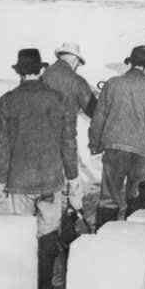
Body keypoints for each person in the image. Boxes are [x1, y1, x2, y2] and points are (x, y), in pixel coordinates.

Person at [0, 49, 78, 289]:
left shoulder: (7, 101)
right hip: (50, 180)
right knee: (49, 234)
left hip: (18, 181)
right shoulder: (58, 99)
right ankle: (44, 287)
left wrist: (0, 179)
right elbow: (68, 141)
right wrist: (72, 176)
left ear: (19, 72)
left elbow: (0, 145)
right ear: (41, 70)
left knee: (22, 234)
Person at [89, 46, 145, 227]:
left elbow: (99, 117)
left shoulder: (113, 83)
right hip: (141, 152)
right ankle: (131, 241)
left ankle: (103, 239)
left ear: (130, 63)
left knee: (109, 197)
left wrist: (95, 144)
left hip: (115, 148)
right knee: (135, 196)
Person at [41, 42, 95, 206]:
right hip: (66, 145)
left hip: (38, 146)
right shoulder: (76, 81)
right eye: (78, 62)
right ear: (73, 59)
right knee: (72, 191)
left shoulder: (42, 77)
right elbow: (94, 111)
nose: (78, 66)